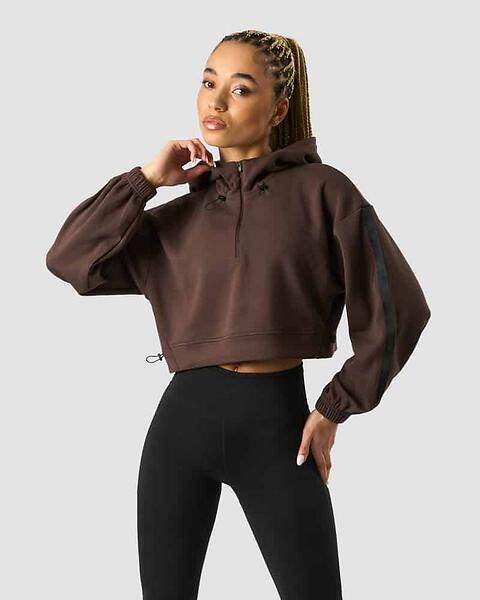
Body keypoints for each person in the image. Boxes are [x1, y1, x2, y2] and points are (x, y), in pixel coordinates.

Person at [45, 30, 431, 600]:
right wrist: (144, 182)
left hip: (279, 431)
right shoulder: (179, 218)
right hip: (181, 430)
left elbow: (400, 311)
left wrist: (334, 408)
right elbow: (69, 259)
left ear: (278, 109)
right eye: (208, 82)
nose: (216, 101)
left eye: (240, 88)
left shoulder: (325, 193)